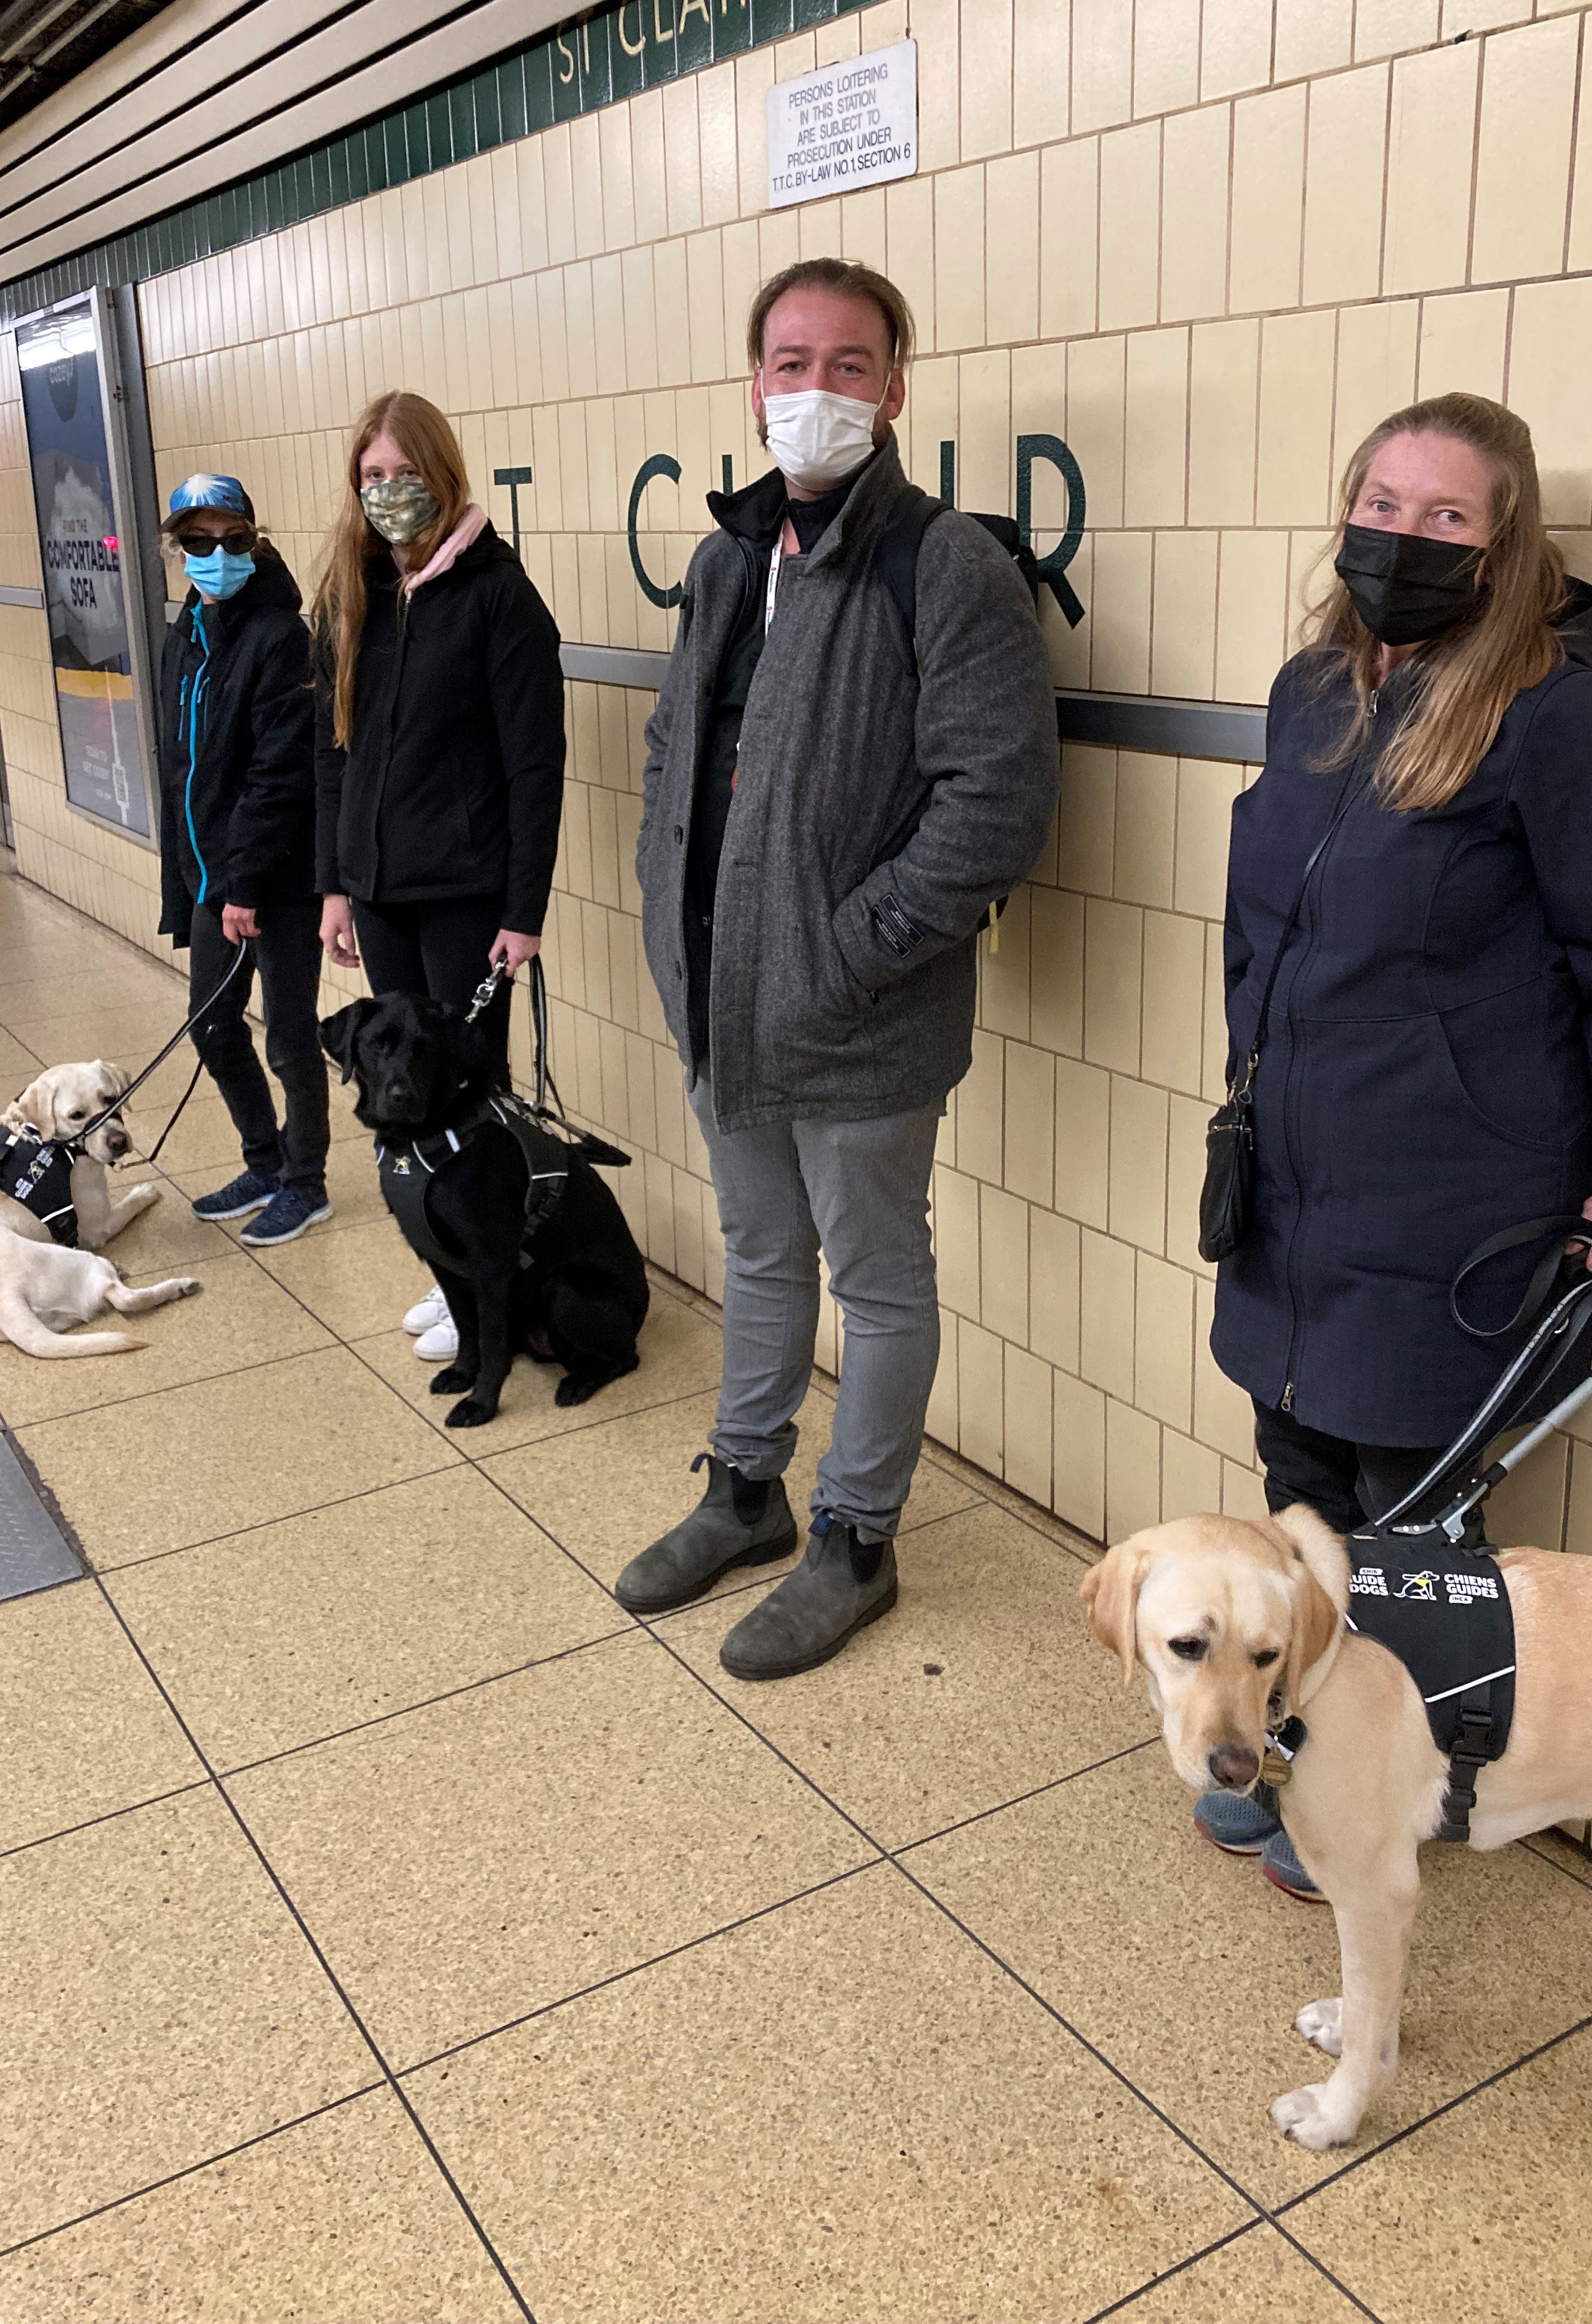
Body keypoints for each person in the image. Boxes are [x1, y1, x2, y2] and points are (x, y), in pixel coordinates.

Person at [1205, 392, 1592, 1897]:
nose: (1402, 537)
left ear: (1504, 548)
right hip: (1294, 1184)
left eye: (1446, 518)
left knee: (1404, 1523)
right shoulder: (1316, 694)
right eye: (1384, 503)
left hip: (1451, 1207)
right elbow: (1263, 922)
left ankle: (1387, 1792)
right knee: (1296, 1477)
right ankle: (1288, 1744)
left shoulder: (1551, 723)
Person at [616, 258, 1061, 1677]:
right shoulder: (727, 559)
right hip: (722, 1002)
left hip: (860, 1019)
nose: (817, 389)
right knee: (758, 1252)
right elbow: (678, 746)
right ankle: (744, 1493)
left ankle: (855, 1540)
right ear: (753, 384)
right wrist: (661, 899)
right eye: (791, 362)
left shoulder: (946, 567)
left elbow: (996, 799)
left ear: (896, 389)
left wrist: (851, 949)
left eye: (849, 365)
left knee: (877, 1282)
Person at [311, 390, 565, 1359]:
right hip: (379, 890)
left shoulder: (498, 595)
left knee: (468, 1095)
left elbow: (534, 763)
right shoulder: (351, 594)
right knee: (401, 1087)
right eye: (371, 478)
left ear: (443, 473)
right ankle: (448, 1269)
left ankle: (490, 1283)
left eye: (403, 475)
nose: (386, 494)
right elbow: (332, 753)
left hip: (468, 892)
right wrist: (336, 883)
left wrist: (524, 908)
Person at [155, 474, 331, 1246]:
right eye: (198, 541)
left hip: (276, 877)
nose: (215, 554)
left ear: (254, 543)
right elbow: (183, 765)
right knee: (212, 1024)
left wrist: (246, 882)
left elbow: (280, 774)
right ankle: (264, 1159)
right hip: (212, 874)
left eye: (232, 540)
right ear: (179, 550)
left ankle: (306, 1181)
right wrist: (190, 880)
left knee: (290, 1035)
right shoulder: (188, 630)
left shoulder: (278, 636)